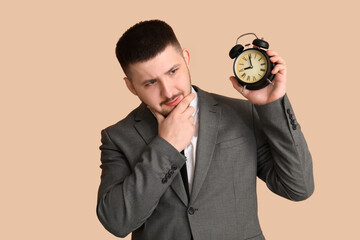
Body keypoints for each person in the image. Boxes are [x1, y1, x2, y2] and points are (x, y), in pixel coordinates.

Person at [96, 19, 314, 240]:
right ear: (131, 86)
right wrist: (166, 147)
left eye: (173, 71)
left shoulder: (241, 114)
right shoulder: (118, 137)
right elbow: (117, 222)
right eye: (151, 83)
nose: (168, 91)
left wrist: (271, 106)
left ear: (187, 59)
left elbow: (298, 188)